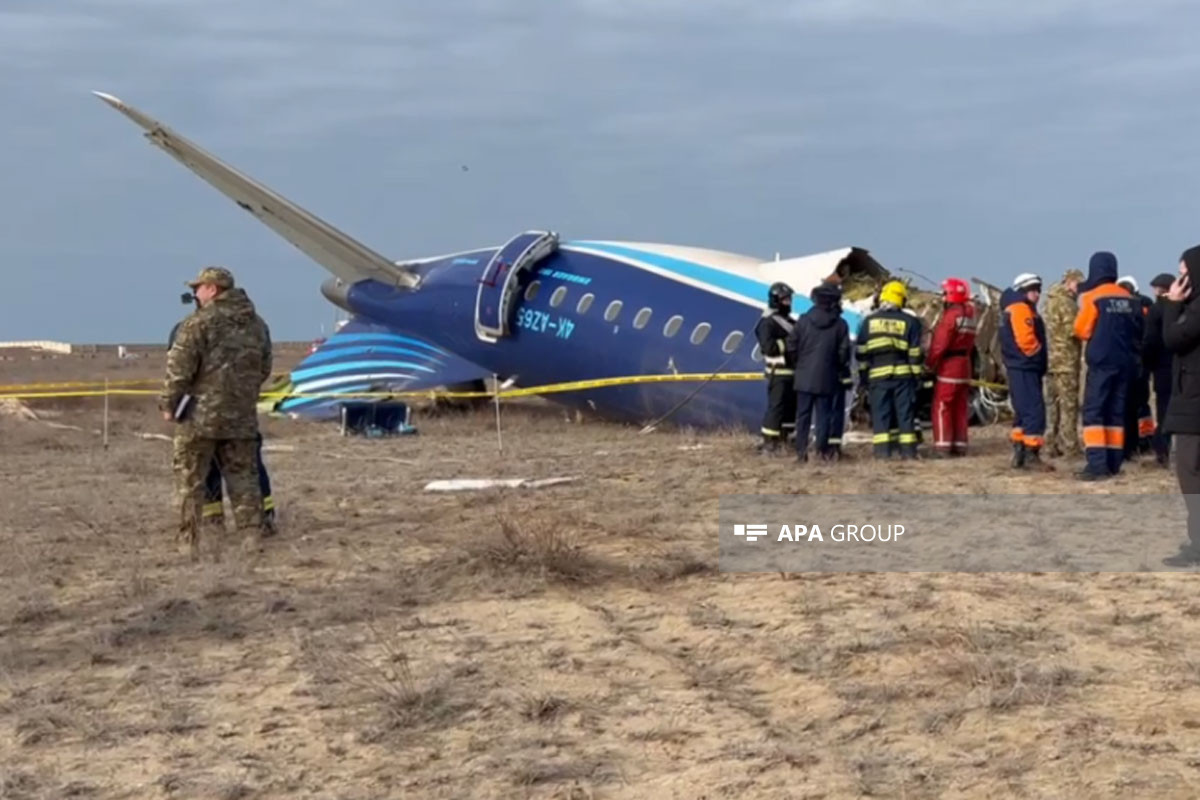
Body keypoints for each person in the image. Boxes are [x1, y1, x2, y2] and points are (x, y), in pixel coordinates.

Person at [163, 266, 273, 557]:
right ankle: (251, 538)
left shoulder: (198, 323)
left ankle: (189, 542)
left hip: (199, 418)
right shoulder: (257, 325)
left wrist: (170, 405)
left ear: (212, 289)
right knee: (244, 478)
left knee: (190, 479)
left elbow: (179, 370)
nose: (195, 293)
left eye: (198, 288)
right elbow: (263, 367)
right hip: (241, 416)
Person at [1074, 252, 1142, 481]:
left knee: (1094, 412)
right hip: (1126, 363)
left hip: (1101, 364)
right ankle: (1114, 462)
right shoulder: (1131, 299)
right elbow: (1139, 331)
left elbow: (1081, 330)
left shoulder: (1093, 297)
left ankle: (1097, 465)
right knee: (1115, 412)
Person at [1162, 248, 1200, 565]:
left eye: (1184, 272)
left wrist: (1171, 305)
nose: (1179, 280)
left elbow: (1173, 339)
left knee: (1190, 474)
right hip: (1192, 401)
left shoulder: (1196, 310)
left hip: (1194, 405)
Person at [855, 280, 923, 459]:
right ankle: (908, 453)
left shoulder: (869, 322)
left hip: (878, 376)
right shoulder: (911, 322)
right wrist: (917, 378)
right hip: (903, 376)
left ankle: (883, 453)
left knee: (881, 414)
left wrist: (863, 378)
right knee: (905, 414)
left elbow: (861, 352)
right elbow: (915, 354)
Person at [786, 283, 851, 462]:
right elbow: (843, 353)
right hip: (827, 377)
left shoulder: (803, 320)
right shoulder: (840, 325)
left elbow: (791, 345)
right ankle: (821, 451)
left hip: (804, 376)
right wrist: (836, 368)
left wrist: (799, 364)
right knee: (823, 416)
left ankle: (801, 453)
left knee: (802, 416)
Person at [1000, 273, 1053, 470]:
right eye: (1032, 290)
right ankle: (1031, 454)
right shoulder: (1021, 310)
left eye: (1038, 290)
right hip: (1026, 366)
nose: (1037, 294)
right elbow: (1026, 341)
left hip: (1018, 367)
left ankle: (1019, 453)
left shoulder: (1012, 309)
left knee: (1021, 413)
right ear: (1022, 290)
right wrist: (1038, 355)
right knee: (1034, 411)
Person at [924, 277, 976, 457]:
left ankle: (943, 446)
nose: (943, 298)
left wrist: (929, 363)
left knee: (943, 405)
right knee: (960, 406)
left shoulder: (951, 316)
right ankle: (960, 445)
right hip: (965, 365)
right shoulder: (970, 314)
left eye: (945, 294)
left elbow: (940, 343)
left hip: (949, 366)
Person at [1043, 269, 1084, 458]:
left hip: (1050, 361)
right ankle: (1070, 446)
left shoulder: (1049, 301)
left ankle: (1050, 444)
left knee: (1052, 406)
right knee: (1069, 406)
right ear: (1069, 282)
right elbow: (1073, 330)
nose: (1079, 289)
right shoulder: (1067, 304)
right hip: (1066, 361)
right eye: (1078, 284)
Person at [755, 282, 797, 453]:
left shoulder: (791, 322)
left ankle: (785, 439)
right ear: (776, 300)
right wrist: (789, 343)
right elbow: (769, 348)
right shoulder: (767, 323)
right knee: (776, 408)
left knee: (790, 410)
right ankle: (769, 442)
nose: (788, 303)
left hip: (793, 374)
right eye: (785, 300)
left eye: (789, 300)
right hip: (778, 373)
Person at [1118, 276, 1154, 459]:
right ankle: (1146, 438)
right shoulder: (1145, 305)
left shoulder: (1131, 308)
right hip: (1141, 361)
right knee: (1141, 404)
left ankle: (1135, 441)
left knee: (1131, 404)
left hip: (1131, 361)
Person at [1145, 272, 1177, 466]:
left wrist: (1147, 365)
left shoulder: (1156, 311)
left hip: (1162, 368)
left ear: (1159, 290)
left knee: (1164, 410)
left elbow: (1150, 340)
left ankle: (1162, 451)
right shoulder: (1184, 308)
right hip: (1183, 368)